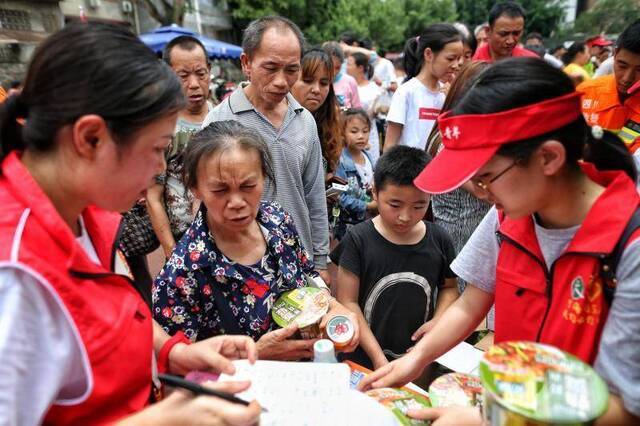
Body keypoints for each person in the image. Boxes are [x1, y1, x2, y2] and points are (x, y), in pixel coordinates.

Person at [0, 23, 260, 425]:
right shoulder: (15, 277)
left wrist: (173, 352)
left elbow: (110, 322)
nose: (160, 168)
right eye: (156, 149)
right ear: (90, 139)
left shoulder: (85, 213)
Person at [359, 58, 640, 425]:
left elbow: (626, 408)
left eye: (487, 177)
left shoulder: (628, 248)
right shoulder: (509, 214)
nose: (480, 193)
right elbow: (472, 299)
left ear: (549, 157)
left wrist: (488, 420)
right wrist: (416, 358)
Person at [153, 121, 359, 359]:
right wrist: (256, 355)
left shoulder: (277, 220)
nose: (237, 201)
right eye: (220, 191)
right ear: (195, 188)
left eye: (248, 186)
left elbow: (307, 276)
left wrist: (334, 307)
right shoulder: (183, 274)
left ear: (264, 178)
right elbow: (175, 368)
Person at [203, 16, 331, 284]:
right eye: (270, 68)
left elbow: (314, 196)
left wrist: (319, 262)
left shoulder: (304, 120)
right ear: (246, 63)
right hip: (242, 270)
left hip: (299, 262)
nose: (282, 82)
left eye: (292, 70)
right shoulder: (219, 121)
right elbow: (206, 203)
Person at [331, 145, 458, 370]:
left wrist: (438, 322)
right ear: (375, 192)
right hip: (363, 358)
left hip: (416, 356)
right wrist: (378, 359)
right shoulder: (358, 240)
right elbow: (347, 301)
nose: (405, 216)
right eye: (395, 204)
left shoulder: (439, 239)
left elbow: (449, 287)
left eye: (419, 205)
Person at [426, 61, 491, 293]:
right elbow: (487, 192)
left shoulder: (461, 134)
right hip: (461, 246)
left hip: (472, 245)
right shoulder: (450, 142)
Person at [146, 35, 213, 260]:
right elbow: (153, 197)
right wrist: (171, 251)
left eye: (200, 74)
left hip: (225, 238)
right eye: (183, 76)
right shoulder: (161, 128)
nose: (194, 84)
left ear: (209, 71)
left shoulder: (223, 116)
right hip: (184, 244)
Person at [384, 24, 463, 151]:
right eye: (450, 58)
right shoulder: (406, 92)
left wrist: (452, 102)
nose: (456, 65)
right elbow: (389, 145)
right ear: (428, 54)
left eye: (459, 59)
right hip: (410, 169)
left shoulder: (448, 94)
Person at [577, 20, 640, 152]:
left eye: (639, 70)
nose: (627, 78)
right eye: (622, 65)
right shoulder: (585, 93)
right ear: (615, 54)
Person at [291, 47, 343, 176]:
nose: (316, 89)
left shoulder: (330, 124)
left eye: (324, 83)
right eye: (308, 81)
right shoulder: (277, 124)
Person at [333, 108, 377, 240]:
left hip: (368, 220)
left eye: (365, 131)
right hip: (349, 224)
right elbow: (338, 197)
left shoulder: (368, 157)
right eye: (354, 131)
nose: (361, 136)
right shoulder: (340, 161)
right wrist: (367, 206)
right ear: (342, 133)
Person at [346, 52, 382, 164]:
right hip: (348, 136)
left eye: (349, 64)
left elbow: (380, 111)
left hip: (369, 135)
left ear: (360, 68)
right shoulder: (345, 86)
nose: (346, 67)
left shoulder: (374, 89)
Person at [473, 1, 538, 63]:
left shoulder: (532, 62)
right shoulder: (472, 61)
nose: (510, 41)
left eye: (516, 33)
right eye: (503, 34)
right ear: (488, 31)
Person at [323, 41, 362, 109]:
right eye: (330, 66)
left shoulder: (350, 81)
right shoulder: (317, 81)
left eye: (338, 68)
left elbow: (357, 108)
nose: (334, 72)